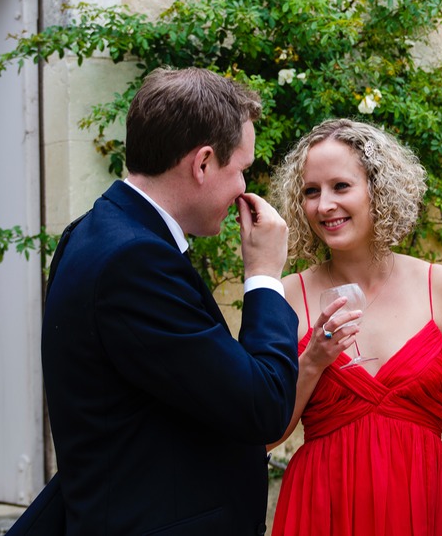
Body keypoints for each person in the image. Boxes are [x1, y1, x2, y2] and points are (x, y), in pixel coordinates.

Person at [27, 67, 299, 535]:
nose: (243, 187)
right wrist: (263, 276)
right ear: (203, 163)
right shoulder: (134, 261)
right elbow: (262, 406)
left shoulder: (93, 232)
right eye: (241, 169)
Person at [267, 119, 442, 536]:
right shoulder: (287, 295)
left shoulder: (441, 288)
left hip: (421, 507)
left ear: (379, 189)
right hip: (322, 509)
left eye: (341, 186)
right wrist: (312, 363)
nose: (324, 205)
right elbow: (265, 436)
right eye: (311, 191)